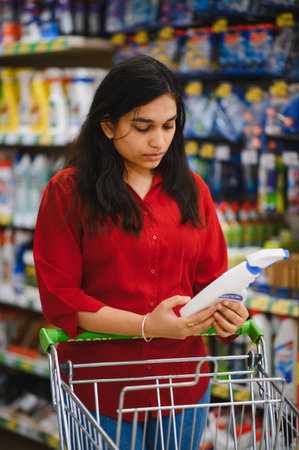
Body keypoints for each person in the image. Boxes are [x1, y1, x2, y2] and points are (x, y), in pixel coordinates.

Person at [34, 55, 249, 449]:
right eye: (143, 127)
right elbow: (60, 297)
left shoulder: (193, 190)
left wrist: (228, 313)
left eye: (168, 126)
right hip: (102, 391)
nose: (159, 141)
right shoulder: (68, 191)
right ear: (108, 125)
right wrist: (147, 326)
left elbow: (211, 282)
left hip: (184, 387)